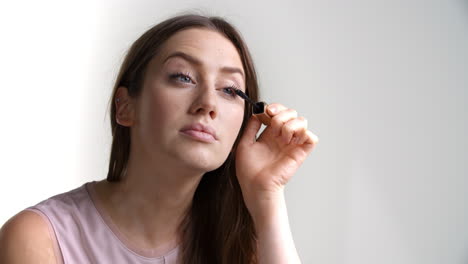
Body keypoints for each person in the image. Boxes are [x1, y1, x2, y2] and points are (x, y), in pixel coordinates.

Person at [0, 14, 319, 264]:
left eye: (230, 90)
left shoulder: (241, 247)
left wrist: (267, 195)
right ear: (125, 106)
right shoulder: (40, 237)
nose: (208, 103)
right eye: (183, 77)